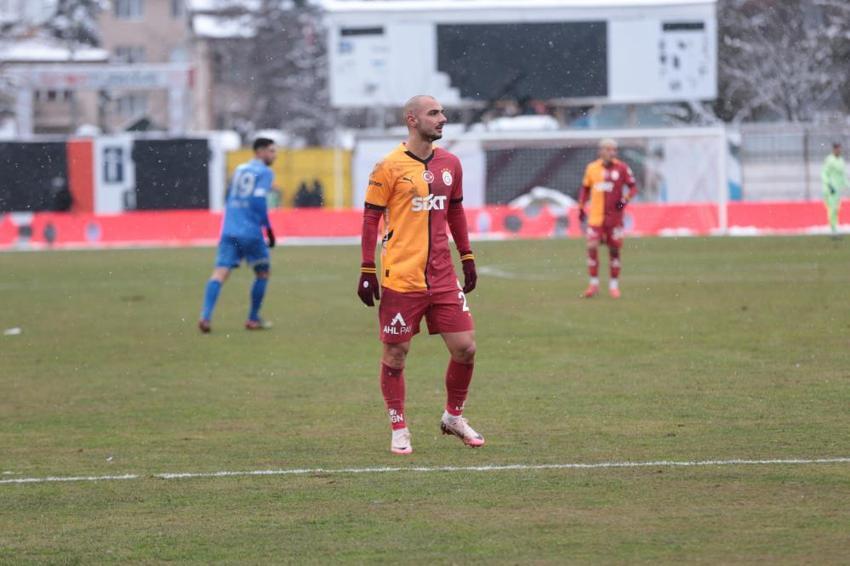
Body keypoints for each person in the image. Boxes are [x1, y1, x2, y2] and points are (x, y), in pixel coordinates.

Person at [357, 94, 483, 455]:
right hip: (402, 277)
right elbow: (370, 219)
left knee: (466, 348)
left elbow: (455, 211)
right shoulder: (388, 166)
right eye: (434, 113)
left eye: (442, 112)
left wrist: (467, 256)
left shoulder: (450, 164)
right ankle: (399, 427)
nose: (442, 118)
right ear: (412, 120)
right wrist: (368, 268)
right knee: (396, 354)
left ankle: (453, 417)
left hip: (443, 276)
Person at [198, 138, 277, 333]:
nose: (274, 155)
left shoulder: (240, 169)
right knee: (262, 272)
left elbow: (230, 196)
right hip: (250, 231)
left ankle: (205, 316)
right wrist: (268, 228)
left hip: (229, 228)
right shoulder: (265, 172)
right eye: (271, 151)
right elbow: (258, 200)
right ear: (259, 152)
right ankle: (252, 319)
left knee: (220, 273)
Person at [577, 139, 638, 299]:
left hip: (614, 219)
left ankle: (613, 286)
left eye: (614, 150)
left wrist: (624, 200)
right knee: (591, 245)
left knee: (614, 250)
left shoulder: (622, 168)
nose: (612, 153)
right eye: (609, 150)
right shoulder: (592, 168)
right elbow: (585, 189)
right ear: (601, 151)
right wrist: (581, 207)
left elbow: (633, 187)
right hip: (596, 217)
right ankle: (593, 284)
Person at [821, 142, 847, 237]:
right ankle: (833, 230)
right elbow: (824, 173)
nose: (839, 150)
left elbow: (842, 177)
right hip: (830, 189)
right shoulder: (829, 160)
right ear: (834, 149)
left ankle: (835, 229)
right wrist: (829, 185)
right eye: (837, 149)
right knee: (832, 209)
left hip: (837, 190)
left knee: (836, 209)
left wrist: (847, 186)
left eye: (840, 149)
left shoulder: (841, 161)